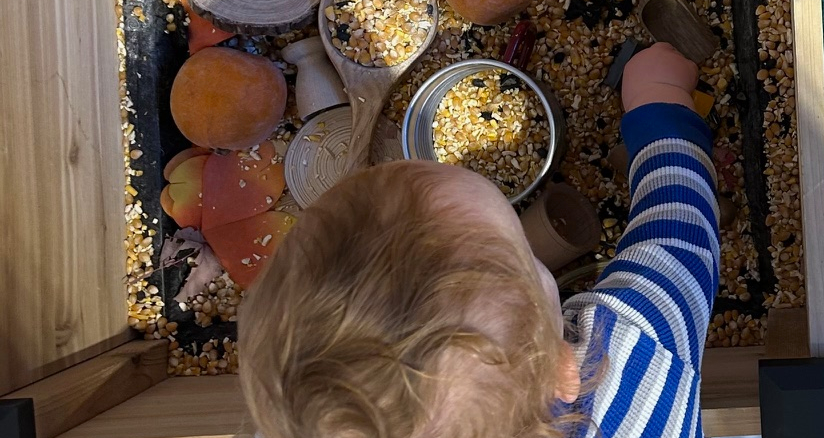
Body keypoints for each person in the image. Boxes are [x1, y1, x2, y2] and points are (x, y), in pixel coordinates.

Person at [239, 41, 719, 438]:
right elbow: (678, 229)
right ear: (561, 368)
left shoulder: (300, 417)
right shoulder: (629, 358)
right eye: (527, 255)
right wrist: (659, 100)